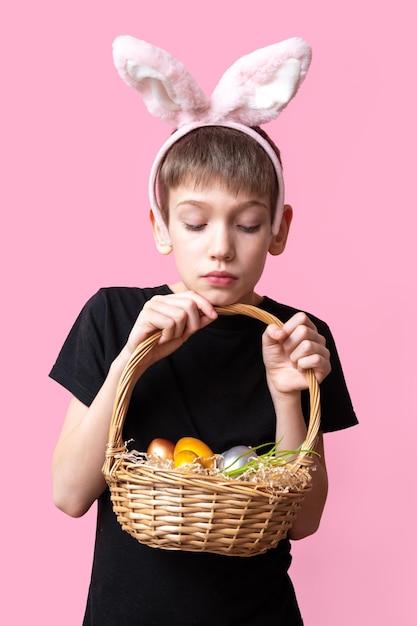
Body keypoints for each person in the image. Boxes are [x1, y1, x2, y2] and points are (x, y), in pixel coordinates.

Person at [49, 36, 359, 626]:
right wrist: (131, 360)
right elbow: (68, 494)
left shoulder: (296, 335)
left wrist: (284, 394)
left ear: (278, 228)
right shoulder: (114, 316)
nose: (220, 246)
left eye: (246, 224)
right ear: (161, 227)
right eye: (194, 223)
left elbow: (304, 519)